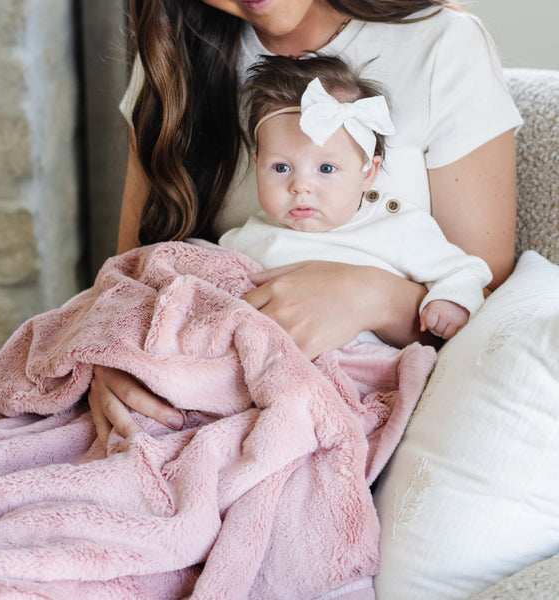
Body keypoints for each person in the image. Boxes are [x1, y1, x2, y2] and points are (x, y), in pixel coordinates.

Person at [89, 0, 523, 450]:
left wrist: (372, 298)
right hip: (202, 389)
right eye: (278, 169)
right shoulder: (174, 51)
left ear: (371, 170)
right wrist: (110, 355)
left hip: (358, 398)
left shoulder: (442, 45)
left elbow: (492, 310)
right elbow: (132, 276)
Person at [218, 54, 493, 342]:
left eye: (326, 168)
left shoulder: (399, 229)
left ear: (367, 173)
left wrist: (450, 301)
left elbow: (464, 270)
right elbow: (210, 268)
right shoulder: (251, 236)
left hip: (361, 363)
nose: (300, 186)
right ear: (257, 163)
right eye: (281, 167)